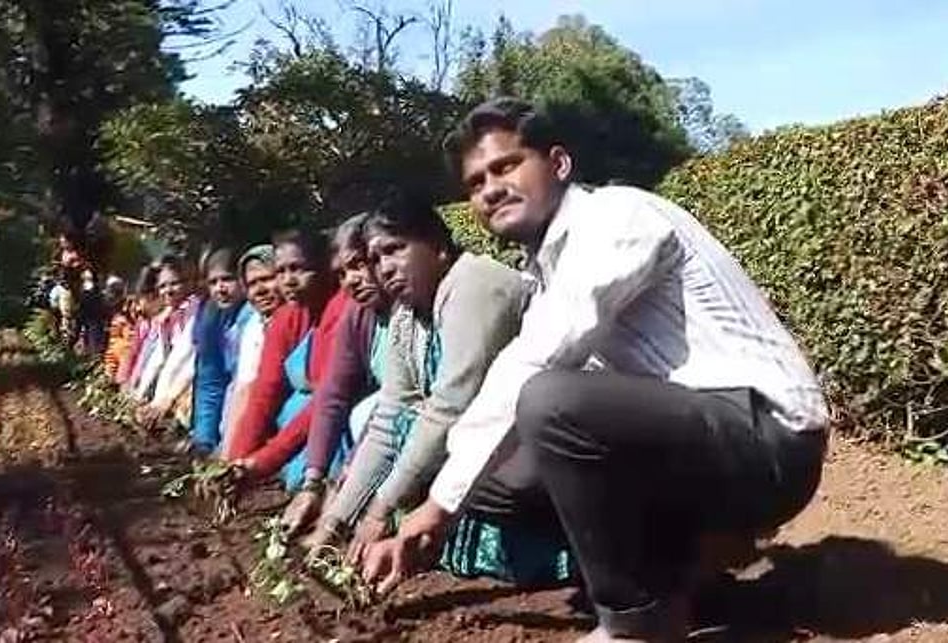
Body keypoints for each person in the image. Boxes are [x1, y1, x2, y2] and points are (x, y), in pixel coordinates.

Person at [362, 98, 830, 643]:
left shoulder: (617, 218)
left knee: (548, 401)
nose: (490, 189)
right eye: (475, 182)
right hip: (699, 440)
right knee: (496, 477)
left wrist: (437, 509)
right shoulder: (545, 271)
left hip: (770, 440)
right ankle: (680, 573)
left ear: (558, 164)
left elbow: (540, 357)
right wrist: (446, 497)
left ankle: (637, 623)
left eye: (507, 166)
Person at [306, 197, 570, 585]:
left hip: (540, 444)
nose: (385, 267)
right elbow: (390, 415)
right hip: (483, 450)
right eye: (377, 258)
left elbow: (452, 405)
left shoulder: (475, 284)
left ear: (438, 246)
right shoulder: (406, 316)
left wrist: (381, 507)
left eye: (396, 249)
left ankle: (591, 556)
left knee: (446, 476)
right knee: (407, 442)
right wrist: (335, 522)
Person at [278, 214, 393, 537]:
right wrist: (312, 484)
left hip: (406, 434)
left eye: (358, 265)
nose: (351, 280)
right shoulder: (358, 314)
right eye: (342, 273)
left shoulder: (405, 311)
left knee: (360, 416)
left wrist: (344, 490)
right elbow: (332, 393)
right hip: (381, 438)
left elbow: (395, 407)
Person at [225, 229, 346, 490]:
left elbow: (328, 400)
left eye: (298, 269)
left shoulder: (341, 310)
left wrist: (262, 462)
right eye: (281, 272)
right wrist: (235, 463)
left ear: (324, 268)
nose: (288, 280)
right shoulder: (287, 317)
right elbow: (265, 392)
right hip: (298, 431)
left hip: (332, 425)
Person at [219, 245, 281, 457]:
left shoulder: (302, 319)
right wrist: (227, 455)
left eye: (267, 279)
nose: (260, 290)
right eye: (252, 283)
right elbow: (244, 387)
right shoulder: (253, 325)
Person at [189, 248, 249, 455]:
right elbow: (210, 380)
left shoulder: (251, 317)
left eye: (227, 279)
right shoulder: (213, 318)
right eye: (213, 282)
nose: (220, 289)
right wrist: (204, 438)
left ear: (243, 280)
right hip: (230, 411)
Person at [135, 256, 200, 429]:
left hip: (191, 383)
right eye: (162, 286)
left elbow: (187, 360)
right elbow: (158, 360)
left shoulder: (195, 311)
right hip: (174, 387)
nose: (168, 290)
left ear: (188, 283)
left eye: (174, 283)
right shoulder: (168, 317)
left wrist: (164, 400)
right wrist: (137, 396)